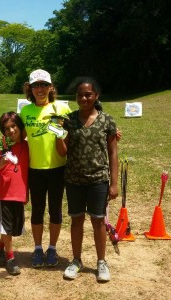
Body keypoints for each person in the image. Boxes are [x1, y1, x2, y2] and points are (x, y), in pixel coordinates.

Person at [59, 77, 119, 281]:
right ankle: (76, 260)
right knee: (76, 221)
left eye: (88, 94)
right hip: (74, 180)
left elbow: (113, 153)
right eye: (79, 95)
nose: (83, 98)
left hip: (98, 180)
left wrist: (114, 182)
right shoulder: (68, 120)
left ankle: (101, 262)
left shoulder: (107, 120)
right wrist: (58, 136)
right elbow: (63, 152)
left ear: (96, 96)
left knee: (98, 222)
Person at [20, 69, 71, 268]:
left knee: (55, 210)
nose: (39, 89)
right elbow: (17, 135)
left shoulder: (62, 108)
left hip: (58, 168)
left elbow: (78, 130)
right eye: (35, 85)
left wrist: (111, 133)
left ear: (51, 87)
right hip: (35, 169)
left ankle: (52, 248)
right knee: (37, 211)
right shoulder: (25, 111)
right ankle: (38, 248)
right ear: (30, 89)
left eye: (43, 85)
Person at [0, 112, 29, 275]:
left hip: (19, 193)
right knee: (6, 227)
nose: (11, 130)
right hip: (2, 194)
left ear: (19, 126)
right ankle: (10, 258)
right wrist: (1, 162)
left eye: (14, 126)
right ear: (3, 131)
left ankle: (0, 247)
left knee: (12, 227)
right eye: (7, 129)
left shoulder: (27, 147)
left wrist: (28, 193)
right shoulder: (2, 148)